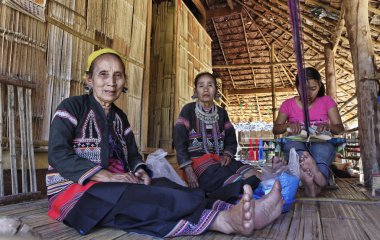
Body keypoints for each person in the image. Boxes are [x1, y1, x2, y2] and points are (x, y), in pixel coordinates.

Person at [46, 48, 283, 238]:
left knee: (165, 186)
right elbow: (58, 154)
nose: (112, 82)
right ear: (89, 79)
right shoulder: (72, 107)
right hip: (75, 191)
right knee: (140, 198)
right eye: (103, 74)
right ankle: (225, 221)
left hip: (116, 183)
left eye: (118, 75)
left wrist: (140, 171)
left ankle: (229, 212)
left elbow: (133, 155)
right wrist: (107, 176)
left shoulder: (119, 117)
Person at [173, 72, 281, 205]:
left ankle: (257, 195)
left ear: (216, 91)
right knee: (236, 181)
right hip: (197, 164)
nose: (206, 89)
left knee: (255, 175)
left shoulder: (221, 113)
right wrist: (188, 169)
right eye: (201, 86)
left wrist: (227, 154)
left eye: (210, 85)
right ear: (195, 91)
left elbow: (230, 138)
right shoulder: (188, 110)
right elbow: (179, 141)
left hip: (221, 160)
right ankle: (241, 197)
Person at [273, 67, 344, 197]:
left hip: (321, 141)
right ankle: (316, 180)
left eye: (313, 89)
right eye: (303, 89)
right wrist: (288, 125)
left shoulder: (326, 101)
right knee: (295, 149)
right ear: (297, 87)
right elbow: (276, 129)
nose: (308, 94)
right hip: (297, 141)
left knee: (321, 151)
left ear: (319, 86)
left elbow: (340, 128)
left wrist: (327, 126)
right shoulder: (288, 104)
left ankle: (311, 180)